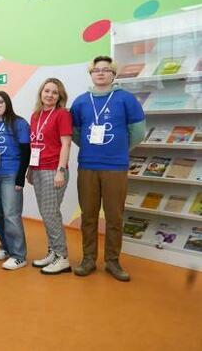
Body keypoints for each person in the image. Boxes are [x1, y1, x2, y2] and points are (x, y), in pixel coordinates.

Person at [70, 55, 145, 282]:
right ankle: (88, 259)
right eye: (96, 70)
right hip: (88, 167)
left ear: (113, 74)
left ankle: (113, 261)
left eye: (106, 69)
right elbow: (75, 133)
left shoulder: (126, 99)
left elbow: (138, 133)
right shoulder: (80, 102)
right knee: (88, 216)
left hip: (116, 167)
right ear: (91, 74)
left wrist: (119, 149)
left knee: (114, 217)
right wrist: (93, 148)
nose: (101, 73)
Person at [26, 78, 73, 275]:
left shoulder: (62, 114)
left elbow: (66, 144)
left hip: (54, 170)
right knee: (47, 213)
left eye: (55, 92)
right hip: (37, 169)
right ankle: (53, 251)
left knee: (51, 213)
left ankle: (62, 257)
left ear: (59, 96)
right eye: (47, 91)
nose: (50, 95)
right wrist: (30, 169)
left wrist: (61, 170)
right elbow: (34, 145)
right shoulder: (36, 115)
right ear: (41, 93)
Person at [0, 91, 30, 270]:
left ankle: (18, 255)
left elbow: (26, 151)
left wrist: (20, 178)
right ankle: (7, 246)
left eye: (0, 102)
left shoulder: (19, 123)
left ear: (7, 103)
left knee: (11, 214)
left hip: (11, 174)